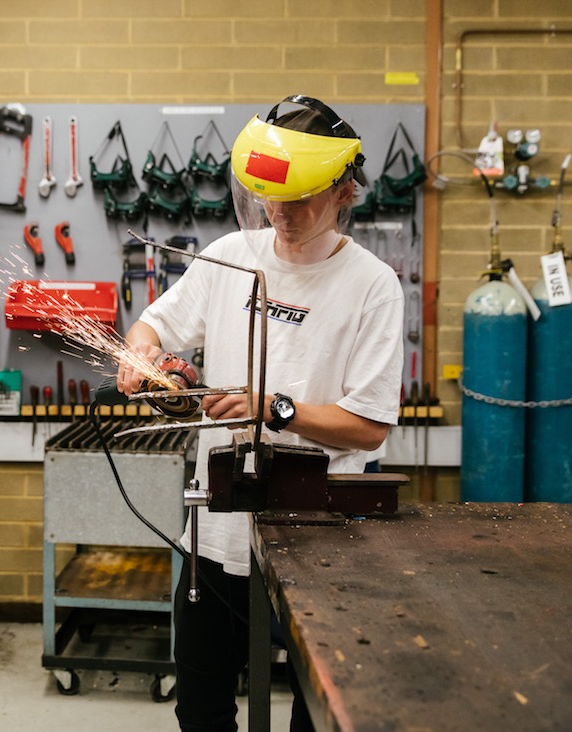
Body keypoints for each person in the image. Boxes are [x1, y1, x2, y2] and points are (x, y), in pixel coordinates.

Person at [116, 95, 404, 731]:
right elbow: (152, 327)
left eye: (301, 198)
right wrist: (142, 360)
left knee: (317, 715)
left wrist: (274, 407)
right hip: (215, 538)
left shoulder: (372, 285)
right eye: (274, 197)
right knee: (202, 710)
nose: (283, 213)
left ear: (344, 190)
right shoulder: (230, 257)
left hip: (319, 538)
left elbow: (370, 424)